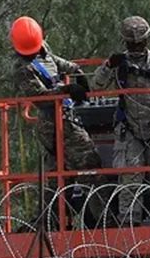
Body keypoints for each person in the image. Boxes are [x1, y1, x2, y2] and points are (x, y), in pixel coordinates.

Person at [90, 16, 150, 224]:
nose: (136, 47)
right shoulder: (119, 65)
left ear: (147, 41)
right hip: (129, 131)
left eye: (139, 43)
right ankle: (129, 223)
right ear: (126, 43)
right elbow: (96, 86)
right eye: (132, 43)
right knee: (130, 179)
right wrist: (109, 65)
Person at [10, 15, 100, 175]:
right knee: (89, 161)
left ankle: (67, 197)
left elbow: (57, 62)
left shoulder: (42, 50)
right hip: (53, 122)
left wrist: (76, 71)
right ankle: (97, 197)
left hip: (66, 114)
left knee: (59, 171)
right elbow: (40, 98)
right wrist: (66, 90)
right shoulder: (22, 69)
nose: (32, 54)